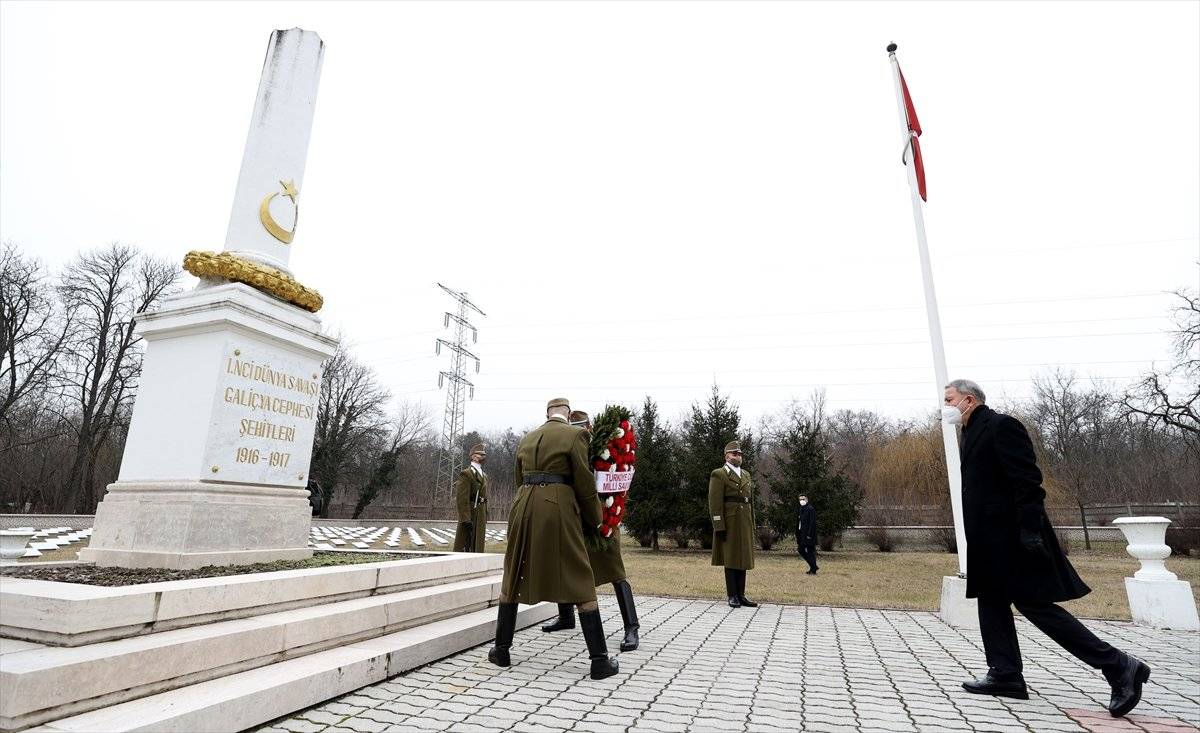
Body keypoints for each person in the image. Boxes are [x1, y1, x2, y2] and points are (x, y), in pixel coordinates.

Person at [945, 379, 1150, 717]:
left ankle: (1118, 665)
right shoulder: (970, 432)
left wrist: (1030, 531)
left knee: (1034, 605)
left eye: (949, 400)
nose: (946, 407)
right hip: (987, 539)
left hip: (1011, 538)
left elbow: (1028, 481)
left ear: (968, 400)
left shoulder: (1001, 426)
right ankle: (1005, 674)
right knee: (991, 601)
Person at [488, 398, 619, 680]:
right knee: (578, 571)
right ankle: (599, 661)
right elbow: (583, 482)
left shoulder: (527, 438)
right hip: (558, 507)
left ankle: (501, 650)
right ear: (568, 415)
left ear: (547, 414)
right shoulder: (576, 435)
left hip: (523, 506)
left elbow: (519, 478)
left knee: (514, 571)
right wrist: (596, 519)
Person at [542, 410, 640, 651]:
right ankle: (566, 617)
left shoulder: (602, 448)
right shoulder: (569, 448)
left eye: (582, 426)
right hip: (575, 519)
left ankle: (631, 627)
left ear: (590, 427)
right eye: (574, 427)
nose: (579, 431)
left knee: (615, 572)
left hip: (604, 520)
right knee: (565, 567)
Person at [709, 440, 756, 608]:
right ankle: (732, 595)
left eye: (740, 454)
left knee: (743, 558)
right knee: (731, 558)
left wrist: (752, 523)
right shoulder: (719, 474)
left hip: (744, 522)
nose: (738, 456)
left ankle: (741, 595)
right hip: (729, 522)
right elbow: (715, 503)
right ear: (727, 456)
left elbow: (750, 501)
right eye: (734, 454)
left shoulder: (746, 475)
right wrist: (719, 525)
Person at [452, 443, 488, 553]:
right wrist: (465, 518)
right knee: (466, 543)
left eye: (484, 455)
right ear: (473, 456)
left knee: (478, 544)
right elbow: (462, 499)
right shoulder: (466, 474)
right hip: (471, 512)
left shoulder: (484, 475)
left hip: (480, 512)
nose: (483, 457)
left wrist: (486, 512)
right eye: (480, 455)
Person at [796, 494, 818, 574]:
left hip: (809, 535)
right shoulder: (801, 509)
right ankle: (813, 567)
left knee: (809, 551)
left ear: (807, 500)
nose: (801, 501)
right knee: (801, 550)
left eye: (803, 499)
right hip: (802, 534)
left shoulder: (810, 509)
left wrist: (809, 534)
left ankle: (813, 569)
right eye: (800, 499)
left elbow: (812, 523)